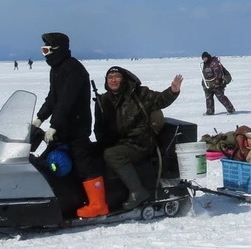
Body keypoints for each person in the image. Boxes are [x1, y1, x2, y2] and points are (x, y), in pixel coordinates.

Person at [32, 32, 108, 218]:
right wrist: (40, 118)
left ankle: (98, 204)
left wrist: (54, 125)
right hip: (62, 127)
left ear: (57, 49)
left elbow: (67, 100)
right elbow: (53, 98)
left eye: (46, 50)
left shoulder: (74, 69)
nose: (45, 54)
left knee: (83, 163)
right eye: (43, 50)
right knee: (46, 160)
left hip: (77, 127)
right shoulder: (57, 69)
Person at [94, 66, 183, 210]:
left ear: (124, 79)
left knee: (112, 155)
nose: (113, 80)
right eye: (110, 78)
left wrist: (173, 91)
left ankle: (137, 191)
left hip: (140, 142)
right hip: (118, 142)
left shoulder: (138, 93)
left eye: (117, 77)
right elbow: (98, 127)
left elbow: (159, 100)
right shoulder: (103, 100)